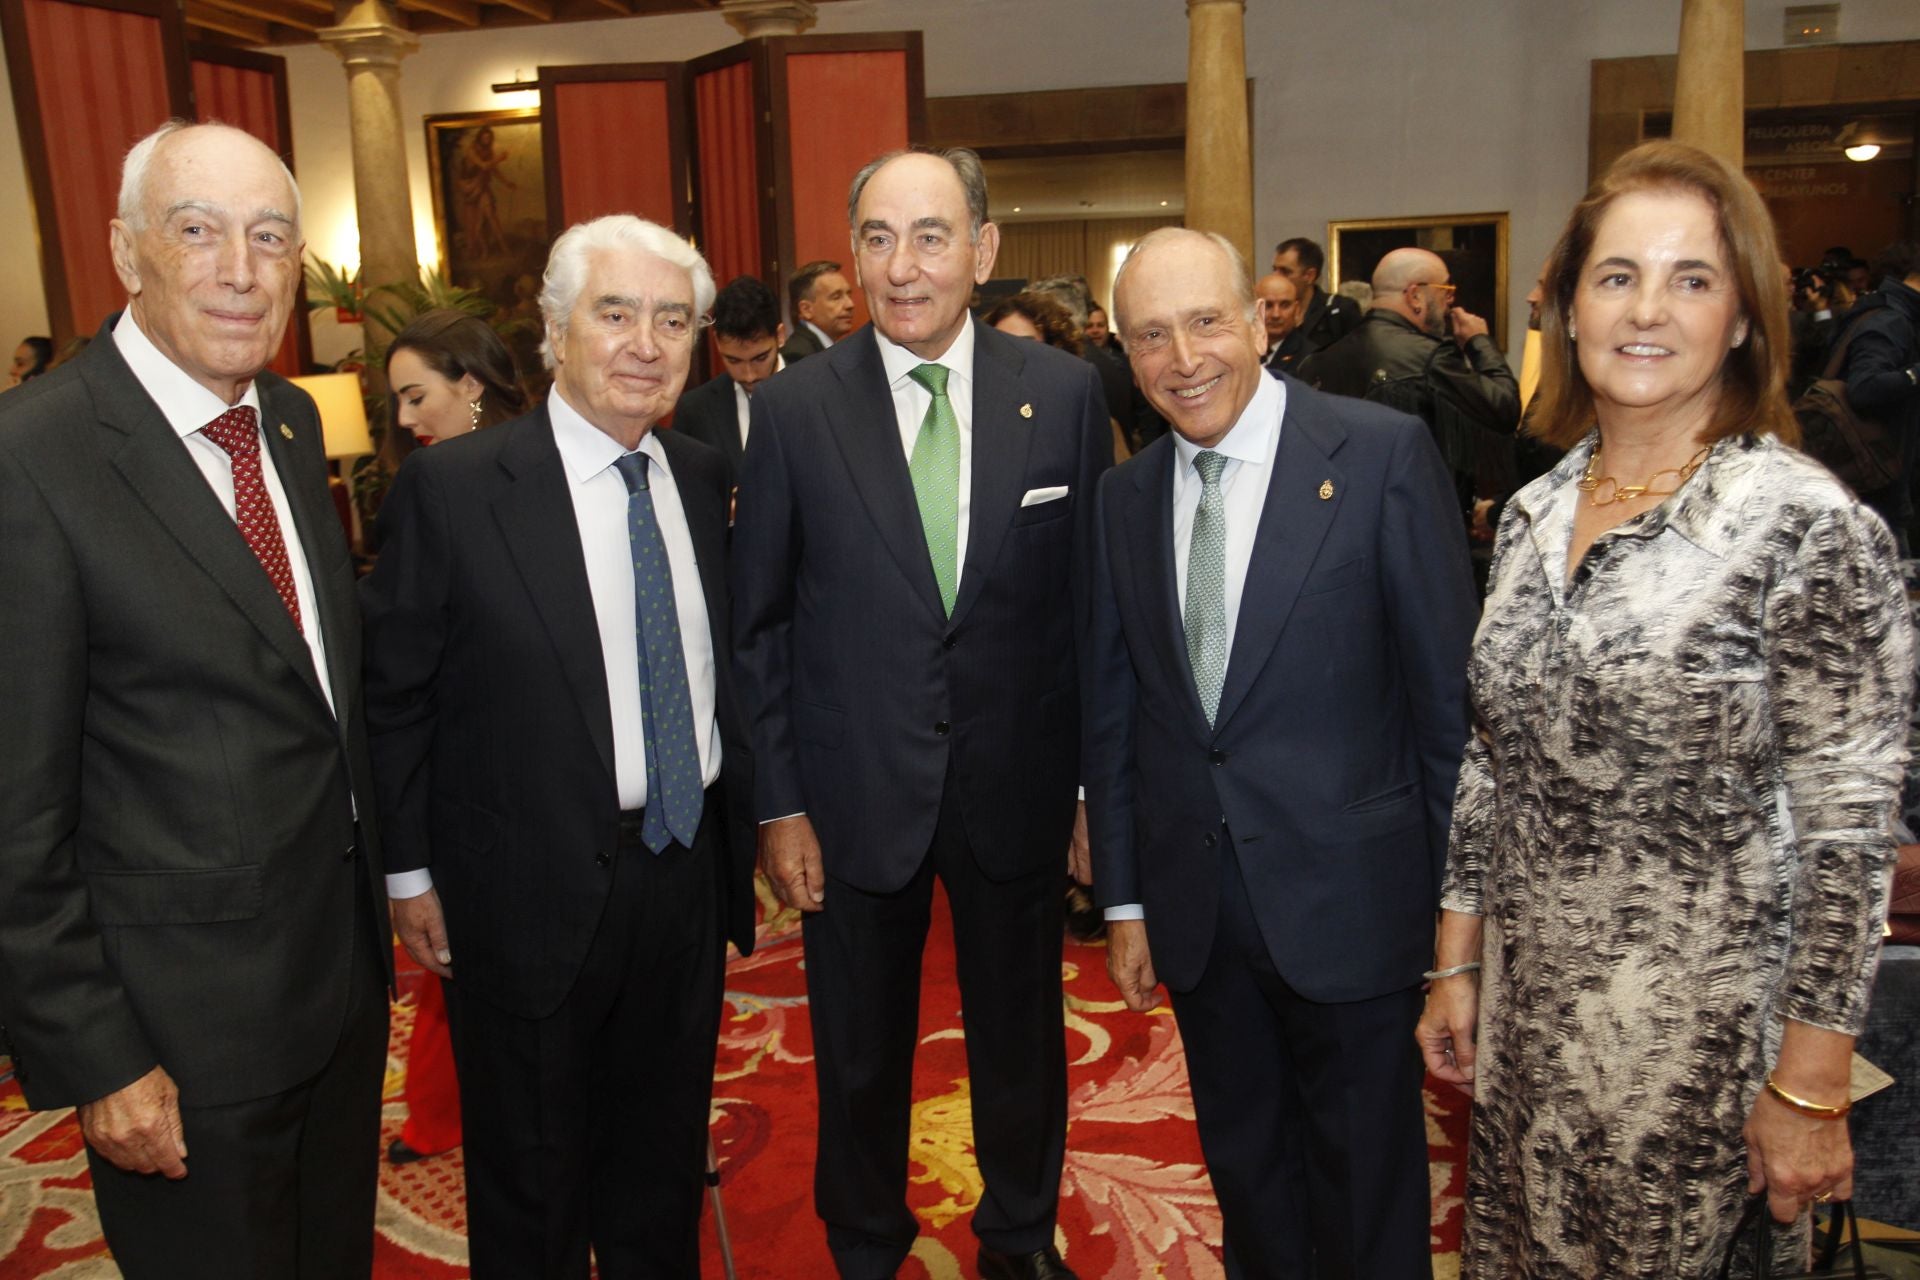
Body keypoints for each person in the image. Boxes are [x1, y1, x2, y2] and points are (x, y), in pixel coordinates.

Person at [1413, 141, 1916, 1277]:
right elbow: (1493, 758)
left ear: (1743, 316)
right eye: (1617, 275)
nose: (1648, 309)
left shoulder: (1802, 524)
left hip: (1702, 1072)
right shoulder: (1536, 509)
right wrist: (1456, 958)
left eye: (1692, 278)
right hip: (1531, 1046)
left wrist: (1811, 1082)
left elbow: (1848, 835)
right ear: (1568, 306)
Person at [0, 121, 391, 1276]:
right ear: (128, 252)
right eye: (199, 231)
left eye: (271, 237)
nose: (241, 269)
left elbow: (314, 702)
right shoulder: (34, 458)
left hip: (339, 992)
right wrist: (97, 1052)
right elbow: (14, 812)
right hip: (177, 1040)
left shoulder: (289, 417)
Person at [733, 147, 1110, 1280]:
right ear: (853, 257)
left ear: (983, 251)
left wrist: (1093, 787)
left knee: (1021, 1035)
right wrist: (781, 801)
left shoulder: (1068, 397)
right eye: (881, 239)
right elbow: (761, 624)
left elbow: (1090, 609)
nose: (905, 267)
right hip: (853, 789)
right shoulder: (794, 410)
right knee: (855, 1042)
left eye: (932, 236)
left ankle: (1016, 1233)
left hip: (1017, 779)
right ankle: (864, 1239)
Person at [362, 214, 757, 1278]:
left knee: (660, 1166)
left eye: (673, 319)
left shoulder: (703, 471)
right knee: (533, 1188)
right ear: (552, 329)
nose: (645, 342)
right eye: (615, 312)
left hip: (682, 873)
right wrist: (407, 869)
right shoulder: (454, 490)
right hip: (521, 887)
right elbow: (393, 698)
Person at [1083, 227, 1476, 1279]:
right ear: (1125, 352)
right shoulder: (1124, 500)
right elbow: (1117, 714)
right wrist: (1125, 902)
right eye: (1150, 335)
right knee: (1250, 1181)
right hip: (1201, 917)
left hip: (1358, 912)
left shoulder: (1380, 457)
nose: (1183, 357)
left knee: (1369, 1196)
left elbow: (1450, 718)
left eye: (1207, 320)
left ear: (1261, 320)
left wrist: (1460, 939)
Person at [375, 308, 529, 1168]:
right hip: (461, 782)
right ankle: (438, 1116)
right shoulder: (425, 489)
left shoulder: (554, 463)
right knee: (451, 970)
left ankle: (443, 1113)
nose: (404, 420)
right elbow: (398, 676)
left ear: (470, 386)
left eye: (415, 395)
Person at [1300, 246, 1520, 519]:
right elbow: (1503, 408)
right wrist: (1479, 342)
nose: (1450, 302)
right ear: (1415, 295)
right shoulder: (1431, 357)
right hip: (1411, 518)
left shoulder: (1318, 361)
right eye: (1446, 291)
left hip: (1338, 519)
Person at [1828, 242, 1920, 544]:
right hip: (1877, 482)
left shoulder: (1898, 313)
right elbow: (1865, 388)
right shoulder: (1891, 318)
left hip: (1883, 475)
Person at [673, 273, 784, 474]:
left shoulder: (819, 391)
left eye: (760, 358)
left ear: (780, 336)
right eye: (733, 360)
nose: (749, 375)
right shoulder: (694, 410)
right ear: (716, 341)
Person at [1271, 236, 1363, 352]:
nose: (1275, 277)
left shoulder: (1339, 311)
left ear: (1309, 276)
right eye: (1274, 270)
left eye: (1285, 271)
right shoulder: (1270, 312)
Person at [781, 258, 857, 362]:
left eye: (848, 295)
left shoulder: (823, 349)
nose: (850, 304)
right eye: (836, 297)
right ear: (806, 309)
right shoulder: (799, 355)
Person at [1253, 270, 1307, 374]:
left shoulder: (1308, 358)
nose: (1276, 315)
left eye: (1285, 305)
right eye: (1268, 305)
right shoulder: (1245, 351)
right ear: (1255, 309)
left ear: (1297, 310)